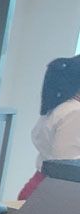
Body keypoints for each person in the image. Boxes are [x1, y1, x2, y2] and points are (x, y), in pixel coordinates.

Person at [17, 55, 80, 200]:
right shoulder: (75, 112)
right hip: (55, 194)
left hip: (46, 188)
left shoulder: (64, 107)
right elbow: (67, 166)